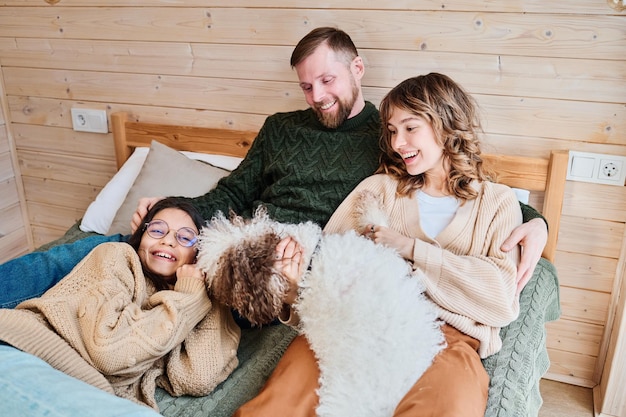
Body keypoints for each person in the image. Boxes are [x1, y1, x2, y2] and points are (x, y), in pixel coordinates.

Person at [0, 27, 545, 310]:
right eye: (307, 85)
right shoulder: (280, 126)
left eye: (328, 81)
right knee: (109, 247)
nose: (318, 96)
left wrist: (535, 221)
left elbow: (455, 181)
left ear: (357, 69)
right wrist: (178, 210)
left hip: (305, 253)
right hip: (238, 231)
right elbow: (235, 187)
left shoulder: (391, 135)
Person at [235, 72, 523, 417]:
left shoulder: (498, 203)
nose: (398, 143)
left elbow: (501, 299)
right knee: (280, 404)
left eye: (410, 127)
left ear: (446, 124)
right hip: (355, 323)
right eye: (391, 130)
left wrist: (409, 249)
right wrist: (296, 289)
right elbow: (330, 278)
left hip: (449, 337)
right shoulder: (377, 191)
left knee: (448, 406)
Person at [0, 197, 241, 412]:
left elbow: (197, 376)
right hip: (26, 350)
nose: (168, 241)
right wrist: (189, 299)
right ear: (141, 238)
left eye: (185, 237)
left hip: (81, 387)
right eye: (157, 230)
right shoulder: (116, 258)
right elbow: (109, 352)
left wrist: (205, 288)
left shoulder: (185, 302)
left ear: (197, 254)